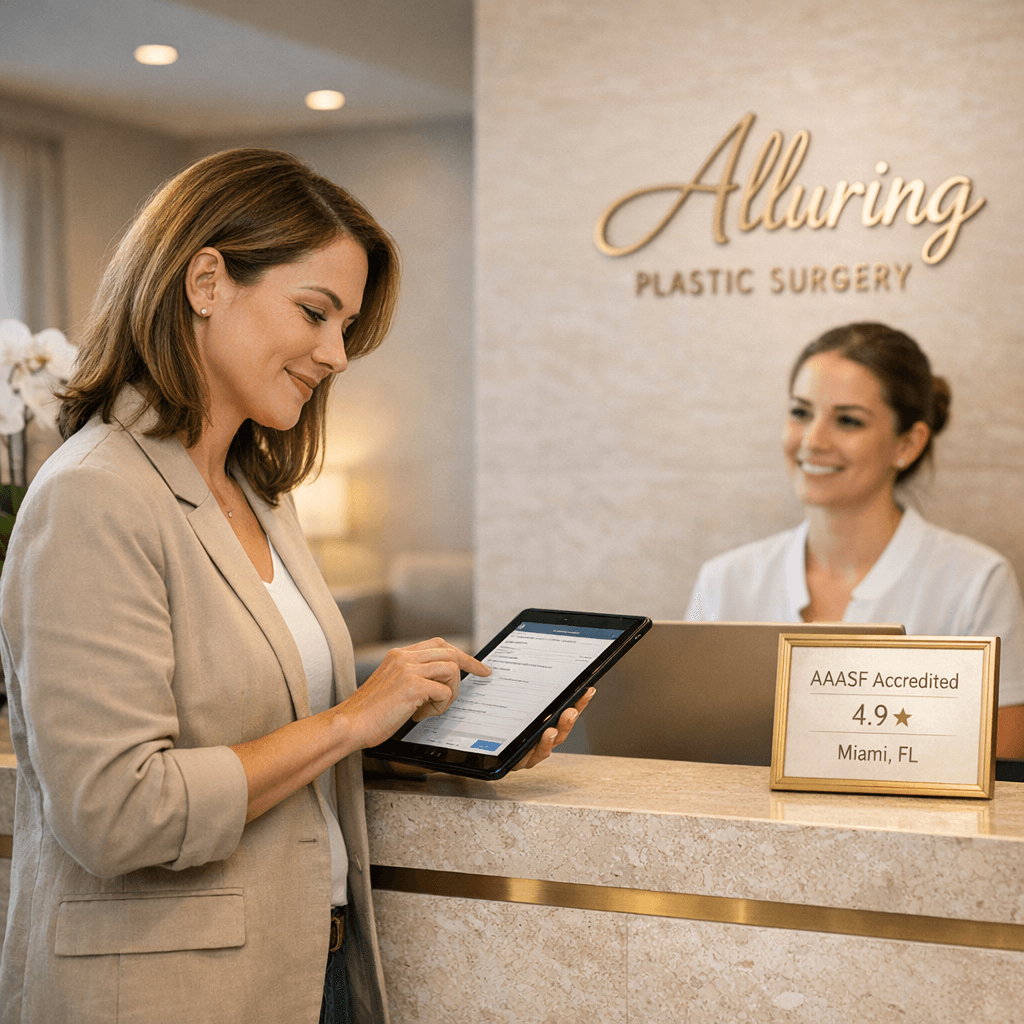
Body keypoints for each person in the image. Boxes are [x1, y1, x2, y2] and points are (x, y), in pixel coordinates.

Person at [0, 148, 591, 1024]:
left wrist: (439, 735)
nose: (337, 354)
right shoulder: (95, 494)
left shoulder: (257, 492)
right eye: (315, 313)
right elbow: (117, 814)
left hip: (313, 969)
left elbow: (267, 740)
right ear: (207, 280)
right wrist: (351, 717)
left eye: (346, 326)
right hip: (165, 996)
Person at [686, 322, 1024, 758]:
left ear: (908, 443)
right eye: (800, 412)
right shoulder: (724, 582)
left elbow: (1006, 779)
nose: (812, 440)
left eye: (847, 420)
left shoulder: (977, 583)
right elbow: (684, 761)